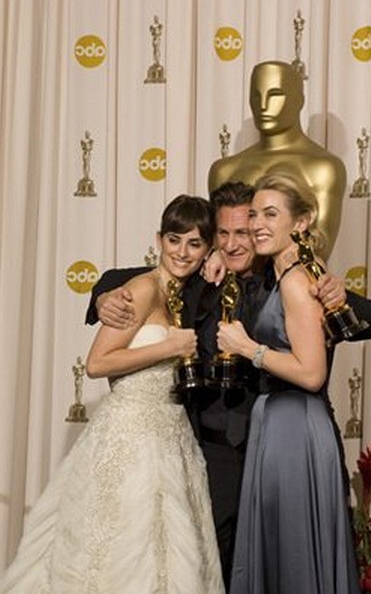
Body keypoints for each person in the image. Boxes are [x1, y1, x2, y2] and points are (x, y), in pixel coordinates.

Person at [85, 183, 371, 589]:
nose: (231, 244)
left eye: (242, 232)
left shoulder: (283, 280)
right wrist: (102, 296)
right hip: (207, 451)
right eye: (221, 235)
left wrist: (338, 293)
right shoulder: (199, 279)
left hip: (275, 445)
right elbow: (125, 278)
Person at [0, 195, 224, 594]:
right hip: (130, 435)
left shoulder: (188, 292)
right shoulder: (140, 288)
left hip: (171, 437)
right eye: (174, 240)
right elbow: (98, 363)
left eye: (194, 243)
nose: (183, 253)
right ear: (159, 239)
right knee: (119, 546)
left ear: (208, 249)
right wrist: (168, 347)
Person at [217, 174, 362, 594]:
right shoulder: (283, 277)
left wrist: (248, 348)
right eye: (254, 214)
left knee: (294, 550)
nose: (258, 223)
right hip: (279, 422)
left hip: (295, 425)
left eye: (271, 214)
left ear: (300, 223)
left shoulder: (298, 282)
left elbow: (312, 373)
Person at [208, 60, 347, 260]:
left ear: (299, 100)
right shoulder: (224, 170)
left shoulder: (323, 168)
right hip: (232, 286)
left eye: (275, 95)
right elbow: (217, 241)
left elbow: (320, 247)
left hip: (292, 283)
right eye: (256, 96)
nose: (263, 106)